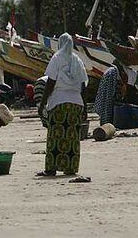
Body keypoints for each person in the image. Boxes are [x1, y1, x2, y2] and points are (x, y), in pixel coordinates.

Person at [38, 33, 88, 177]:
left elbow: (50, 82)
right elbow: (83, 85)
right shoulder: (77, 60)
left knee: (55, 136)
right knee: (72, 137)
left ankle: (51, 168)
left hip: (59, 102)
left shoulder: (57, 58)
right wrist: (84, 107)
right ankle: (70, 168)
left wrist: (42, 104)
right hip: (76, 104)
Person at [94, 59, 138, 125]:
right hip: (113, 101)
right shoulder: (115, 72)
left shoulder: (112, 71)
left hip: (111, 101)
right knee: (108, 106)